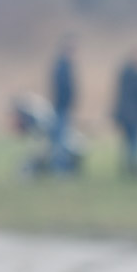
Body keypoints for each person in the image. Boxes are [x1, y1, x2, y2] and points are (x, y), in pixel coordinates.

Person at [113, 49, 137, 175]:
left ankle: (126, 166)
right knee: (135, 141)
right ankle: (133, 167)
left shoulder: (124, 75)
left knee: (127, 141)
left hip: (123, 114)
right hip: (135, 115)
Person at [50, 35, 77, 173]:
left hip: (63, 107)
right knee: (60, 139)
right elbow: (62, 88)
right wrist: (66, 102)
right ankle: (59, 168)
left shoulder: (64, 65)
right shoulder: (62, 66)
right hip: (61, 107)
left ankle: (61, 166)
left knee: (61, 138)